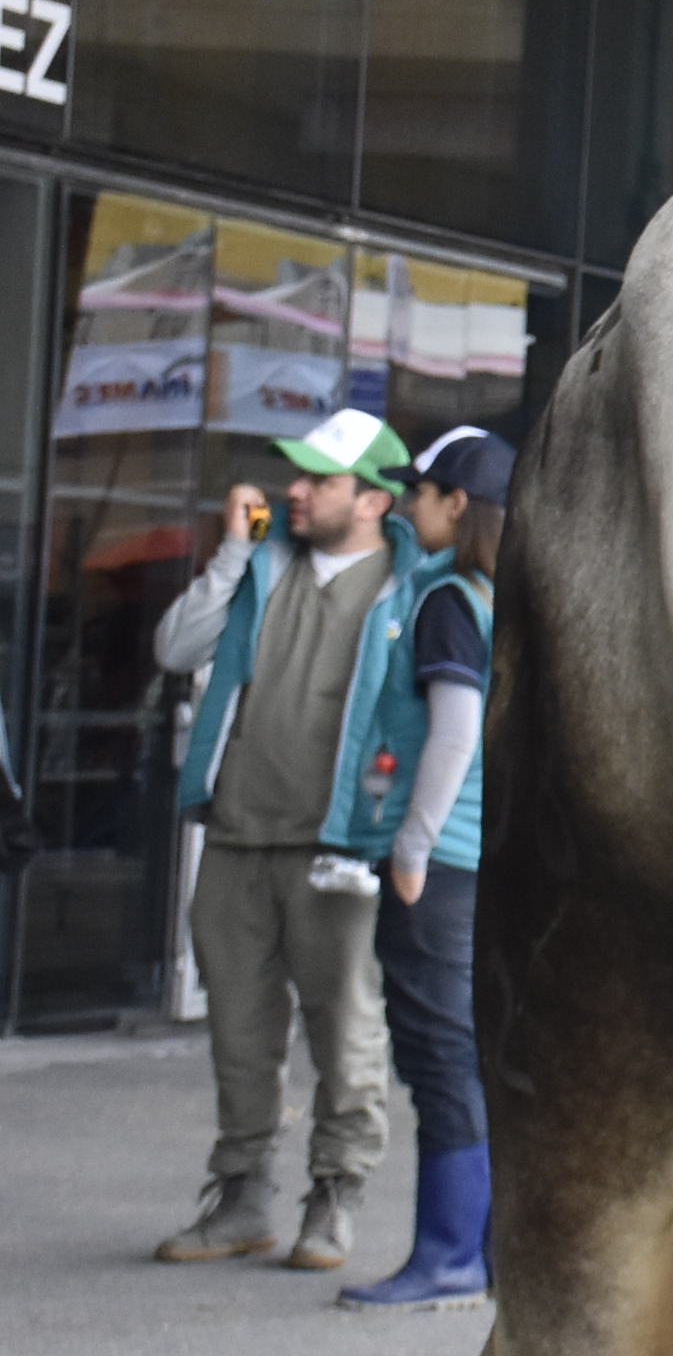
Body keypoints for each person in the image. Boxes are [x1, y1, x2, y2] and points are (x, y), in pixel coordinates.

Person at [145, 407, 443, 1273]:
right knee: (239, 1032)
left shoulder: (413, 589)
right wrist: (233, 550)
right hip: (235, 838)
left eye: (319, 480)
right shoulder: (263, 567)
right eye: (297, 476)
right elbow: (175, 649)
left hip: (338, 849)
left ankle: (335, 1197)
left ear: (373, 499)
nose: (295, 490)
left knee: (346, 1029)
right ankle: (242, 1196)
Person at [343, 423, 510, 1308]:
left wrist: (409, 848)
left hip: (438, 863)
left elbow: (453, 734)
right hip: (484, 856)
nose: (412, 506)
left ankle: (447, 1255)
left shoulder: (448, 601)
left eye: (424, 493)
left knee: (439, 1054)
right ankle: (482, 1250)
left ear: (458, 505)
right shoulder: (503, 601)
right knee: (474, 1052)